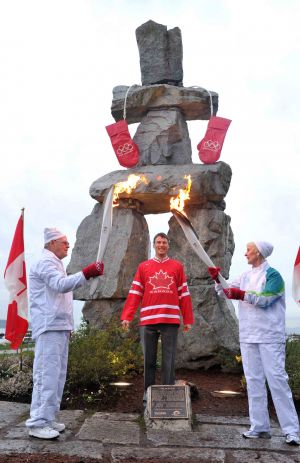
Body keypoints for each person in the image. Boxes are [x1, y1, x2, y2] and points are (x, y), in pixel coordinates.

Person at [208, 241, 300, 446]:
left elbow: (266, 298)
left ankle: (292, 430)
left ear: (258, 253)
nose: (245, 254)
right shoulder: (246, 276)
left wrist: (241, 294)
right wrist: (218, 279)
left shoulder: (274, 276)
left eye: (248, 250)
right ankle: (259, 427)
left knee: (277, 380)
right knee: (253, 380)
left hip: (269, 335)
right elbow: (227, 290)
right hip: (248, 335)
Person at [26, 227, 104, 440]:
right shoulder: (45, 262)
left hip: (59, 326)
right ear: (51, 243)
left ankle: (48, 418)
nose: (68, 245)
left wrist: (68, 326)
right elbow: (60, 286)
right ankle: (37, 423)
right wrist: (87, 273)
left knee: (58, 376)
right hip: (48, 326)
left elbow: (61, 298)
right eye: (64, 242)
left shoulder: (56, 263)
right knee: (46, 375)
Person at [121, 232, 194, 404]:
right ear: (154, 245)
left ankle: (167, 395)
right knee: (149, 360)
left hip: (170, 319)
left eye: (164, 242)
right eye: (158, 242)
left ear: (168, 245)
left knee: (168, 360)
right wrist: (127, 316)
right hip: (148, 319)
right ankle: (148, 395)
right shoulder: (143, 267)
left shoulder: (177, 267)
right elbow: (135, 292)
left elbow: (184, 294)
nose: (161, 245)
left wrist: (188, 319)